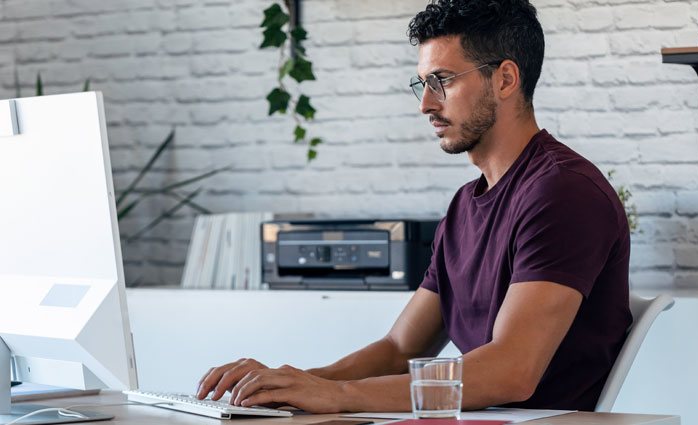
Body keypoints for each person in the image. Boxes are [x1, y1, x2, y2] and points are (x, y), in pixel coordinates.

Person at [196, 0, 632, 413]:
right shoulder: (465, 205)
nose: (426, 104)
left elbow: (511, 371)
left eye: (443, 80)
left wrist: (339, 395)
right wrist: (296, 385)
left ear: (504, 79)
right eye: (421, 84)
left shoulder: (562, 192)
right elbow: (401, 348)